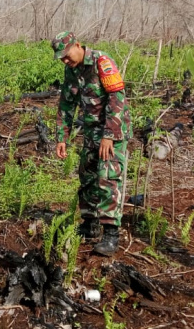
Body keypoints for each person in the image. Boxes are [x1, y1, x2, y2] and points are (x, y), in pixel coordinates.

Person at [52, 31, 132, 256]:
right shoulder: (72, 71)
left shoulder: (101, 62)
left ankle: (110, 234)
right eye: (62, 58)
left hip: (112, 131)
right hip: (90, 132)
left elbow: (117, 98)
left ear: (77, 45)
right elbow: (66, 105)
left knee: (107, 177)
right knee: (86, 175)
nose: (65, 61)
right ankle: (89, 225)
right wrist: (62, 138)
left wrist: (109, 135)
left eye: (67, 55)